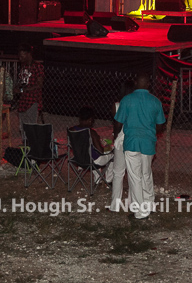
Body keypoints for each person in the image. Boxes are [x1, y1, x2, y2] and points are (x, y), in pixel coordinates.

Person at [113, 73, 166, 220]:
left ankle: (140, 211)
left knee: (135, 177)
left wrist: (116, 136)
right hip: (148, 142)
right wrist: (151, 131)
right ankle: (149, 204)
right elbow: (160, 125)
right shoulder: (155, 101)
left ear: (135, 83)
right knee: (146, 173)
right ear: (149, 84)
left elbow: (118, 122)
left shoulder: (127, 100)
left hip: (131, 142)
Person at [109, 80, 133, 212]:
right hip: (133, 139)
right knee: (133, 173)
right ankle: (131, 203)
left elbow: (117, 124)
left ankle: (115, 205)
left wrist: (116, 137)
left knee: (118, 173)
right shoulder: (136, 104)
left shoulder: (117, 105)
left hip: (121, 140)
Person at [70, 106, 113, 179]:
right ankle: (109, 179)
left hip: (78, 159)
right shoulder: (92, 132)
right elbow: (100, 151)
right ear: (90, 120)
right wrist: (107, 147)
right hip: (92, 161)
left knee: (93, 153)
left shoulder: (72, 130)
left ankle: (97, 179)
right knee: (112, 153)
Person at [15, 44, 43, 128]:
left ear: (28, 54)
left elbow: (39, 85)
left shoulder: (37, 66)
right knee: (23, 126)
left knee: (31, 126)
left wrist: (23, 90)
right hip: (23, 100)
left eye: (22, 55)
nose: (20, 58)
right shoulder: (24, 66)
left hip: (33, 100)